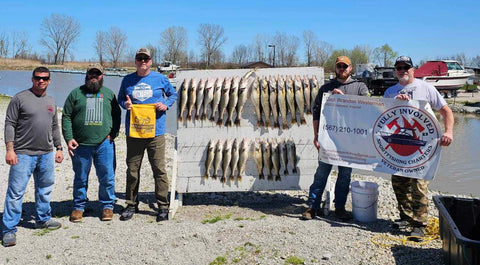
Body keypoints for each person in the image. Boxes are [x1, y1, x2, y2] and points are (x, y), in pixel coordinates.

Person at [384, 56, 453, 239]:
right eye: (399, 67)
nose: (402, 70)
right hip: (398, 148)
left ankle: (419, 225)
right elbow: (383, 118)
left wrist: (449, 132)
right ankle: (405, 217)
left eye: (406, 66)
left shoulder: (427, 88)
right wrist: (395, 104)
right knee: (399, 183)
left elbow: (446, 111)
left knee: (419, 185)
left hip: (423, 147)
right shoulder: (390, 92)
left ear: (413, 69)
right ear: (395, 70)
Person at [302, 56, 370, 221]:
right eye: (339, 66)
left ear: (351, 68)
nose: (342, 69)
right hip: (328, 140)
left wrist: (344, 99)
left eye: (345, 66)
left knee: (344, 176)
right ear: (335, 68)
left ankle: (340, 208)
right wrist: (316, 136)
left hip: (350, 142)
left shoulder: (360, 87)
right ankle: (313, 207)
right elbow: (317, 114)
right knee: (321, 174)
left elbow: (368, 109)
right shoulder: (326, 88)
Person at [2, 67, 64, 247]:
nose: (41, 81)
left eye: (45, 78)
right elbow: (9, 124)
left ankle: (42, 219)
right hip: (22, 154)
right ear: (32, 79)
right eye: (37, 78)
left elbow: (54, 127)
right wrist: (9, 150)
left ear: (49, 80)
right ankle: (9, 229)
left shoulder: (51, 101)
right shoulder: (19, 98)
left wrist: (59, 148)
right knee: (15, 193)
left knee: (44, 189)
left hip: (46, 154)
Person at [118, 48, 178, 222]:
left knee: (159, 170)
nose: (143, 61)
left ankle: (163, 206)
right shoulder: (127, 80)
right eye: (139, 58)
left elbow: (173, 94)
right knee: (132, 170)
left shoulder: (160, 79)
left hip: (156, 133)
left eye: (146, 58)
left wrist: (166, 104)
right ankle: (131, 204)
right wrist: (126, 105)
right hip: (134, 132)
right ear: (135, 61)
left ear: (151, 61)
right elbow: (120, 98)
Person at [62, 64, 121, 223]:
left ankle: (107, 205)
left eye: (98, 74)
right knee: (80, 177)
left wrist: (113, 133)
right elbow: (66, 116)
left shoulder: (109, 94)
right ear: (86, 75)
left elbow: (117, 114)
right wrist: (69, 138)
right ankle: (78, 206)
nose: (94, 76)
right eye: (91, 73)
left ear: (102, 76)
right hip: (81, 145)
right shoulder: (76, 93)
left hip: (104, 144)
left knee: (107, 177)